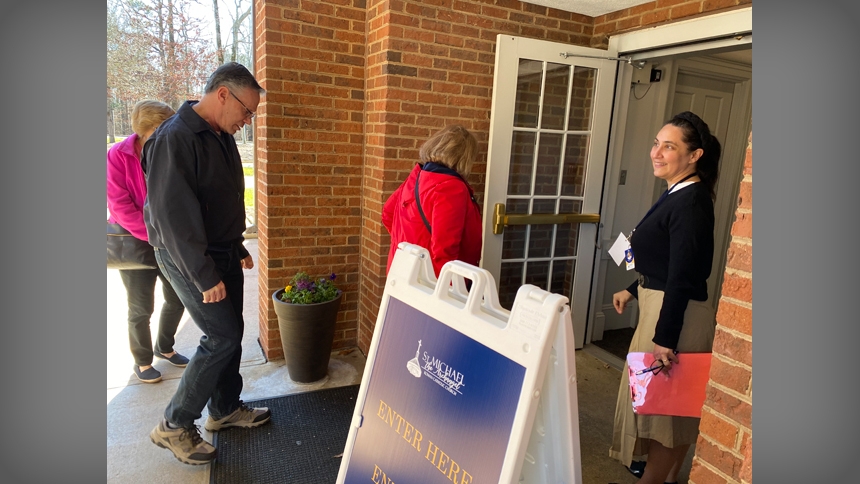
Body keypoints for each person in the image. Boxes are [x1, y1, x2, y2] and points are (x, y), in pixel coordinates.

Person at [142, 62, 269, 465]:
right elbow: (172, 217)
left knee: (234, 330)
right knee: (221, 337)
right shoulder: (174, 138)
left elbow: (223, 198)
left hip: (222, 250)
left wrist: (238, 246)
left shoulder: (219, 134)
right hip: (189, 258)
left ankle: (225, 409)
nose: (247, 121)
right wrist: (202, 273)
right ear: (222, 95)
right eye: (246, 111)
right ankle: (174, 425)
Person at [608, 111, 722, 484]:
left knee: (666, 416)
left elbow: (684, 275)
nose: (657, 152)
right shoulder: (677, 192)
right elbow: (668, 262)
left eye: (669, 146)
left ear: (694, 156)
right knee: (659, 409)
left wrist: (665, 338)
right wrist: (633, 288)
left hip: (676, 318)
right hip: (662, 307)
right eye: (657, 143)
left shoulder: (690, 202)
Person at [107, 100, 189, 384]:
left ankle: (164, 347)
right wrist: (153, 234)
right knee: (141, 307)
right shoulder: (117, 155)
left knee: (178, 298)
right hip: (137, 242)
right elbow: (119, 205)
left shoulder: (170, 150)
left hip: (167, 241)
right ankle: (142, 361)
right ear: (147, 129)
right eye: (162, 126)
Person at [382, 125, 482, 277]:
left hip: (400, 272)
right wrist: (449, 293)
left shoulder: (417, 177)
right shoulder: (452, 189)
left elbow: (388, 214)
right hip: (430, 283)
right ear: (464, 157)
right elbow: (445, 251)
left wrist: (408, 242)